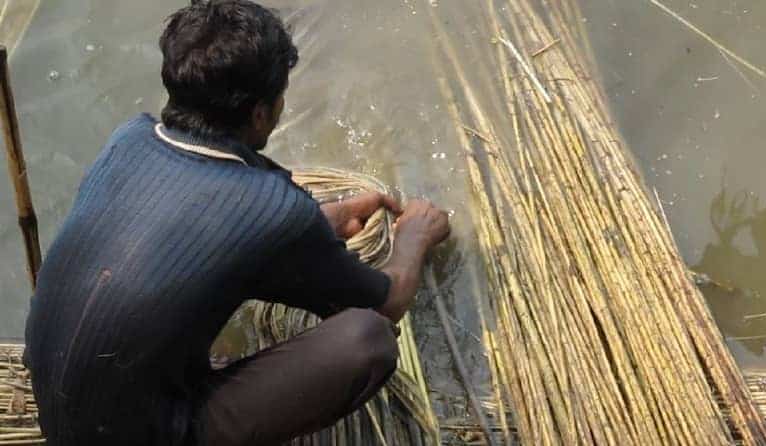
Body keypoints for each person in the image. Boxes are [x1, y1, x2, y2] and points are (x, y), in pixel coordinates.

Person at [22, 1, 450, 445]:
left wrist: (320, 222)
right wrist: (412, 238)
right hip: (138, 437)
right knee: (367, 339)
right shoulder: (275, 210)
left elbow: (186, 229)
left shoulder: (128, 139)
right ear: (261, 114)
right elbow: (386, 303)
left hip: (57, 403)